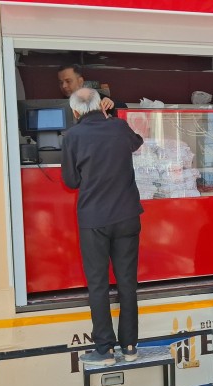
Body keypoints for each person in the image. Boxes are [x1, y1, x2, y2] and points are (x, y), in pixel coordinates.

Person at [62, 88, 144, 366]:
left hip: (94, 220)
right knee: (127, 284)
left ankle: (105, 350)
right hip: (127, 216)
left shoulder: (72, 137)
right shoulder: (119, 127)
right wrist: (112, 118)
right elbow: (138, 142)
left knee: (98, 285)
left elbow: (71, 181)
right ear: (101, 106)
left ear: (75, 112)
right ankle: (130, 346)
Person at [57, 64, 127, 117]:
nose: (64, 86)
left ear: (80, 81)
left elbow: (124, 109)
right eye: (61, 82)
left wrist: (112, 104)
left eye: (68, 81)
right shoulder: (58, 104)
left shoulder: (95, 97)